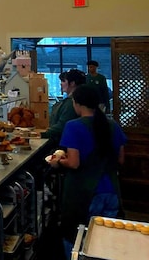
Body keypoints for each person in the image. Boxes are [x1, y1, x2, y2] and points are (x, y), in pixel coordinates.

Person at [49, 84, 126, 259]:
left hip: (84, 194)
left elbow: (74, 163)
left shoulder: (74, 126)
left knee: (78, 241)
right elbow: (120, 160)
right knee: (105, 242)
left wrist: (58, 161)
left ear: (77, 104)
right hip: (112, 192)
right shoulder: (112, 125)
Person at [41, 69, 85, 148]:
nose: (61, 84)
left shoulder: (71, 103)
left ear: (72, 83)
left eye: (63, 81)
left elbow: (62, 126)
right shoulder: (75, 100)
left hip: (63, 145)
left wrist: (42, 134)